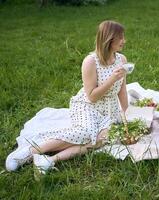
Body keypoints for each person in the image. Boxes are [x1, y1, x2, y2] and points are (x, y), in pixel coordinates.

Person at [6, 20, 129, 173]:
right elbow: (91, 97)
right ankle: (29, 152)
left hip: (109, 109)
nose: (124, 41)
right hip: (87, 105)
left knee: (103, 139)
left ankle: (49, 160)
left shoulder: (121, 60)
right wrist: (112, 79)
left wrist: (126, 114)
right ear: (109, 39)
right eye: (121, 37)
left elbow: (122, 90)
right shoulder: (90, 61)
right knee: (85, 133)